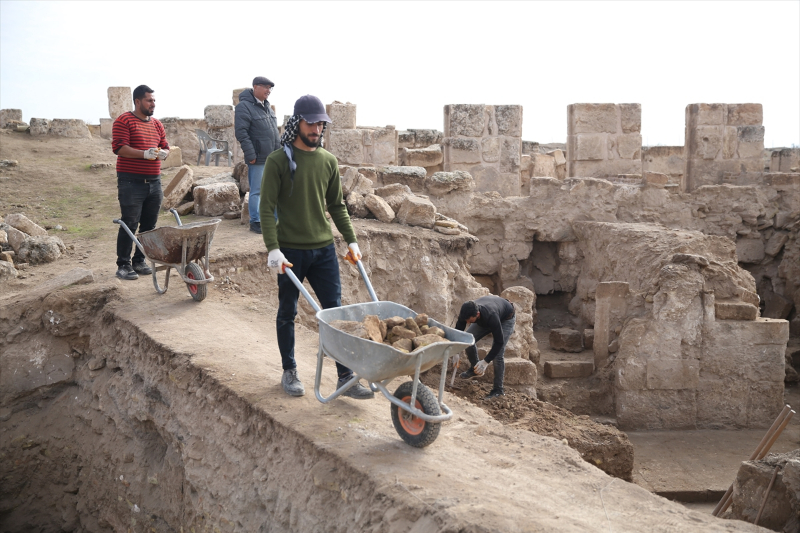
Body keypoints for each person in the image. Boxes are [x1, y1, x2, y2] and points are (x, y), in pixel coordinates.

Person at [260, 94, 373, 400]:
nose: (317, 129)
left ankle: (344, 377)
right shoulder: (278, 162)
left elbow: (337, 206)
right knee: (287, 311)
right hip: (290, 252)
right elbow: (266, 207)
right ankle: (289, 370)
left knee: (334, 313)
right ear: (297, 123)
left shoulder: (328, 161)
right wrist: (273, 248)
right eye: (311, 122)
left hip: (324, 250)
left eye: (321, 123)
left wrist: (351, 240)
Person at [111, 84, 169, 280]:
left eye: (154, 100)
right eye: (149, 100)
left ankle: (139, 260)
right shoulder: (124, 121)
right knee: (130, 222)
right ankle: (123, 265)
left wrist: (164, 153)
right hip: (131, 182)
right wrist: (145, 154)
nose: (153, 103)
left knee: (149, 225)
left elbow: (165, 146)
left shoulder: (157, 124)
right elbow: (120, 148)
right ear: (137, 101)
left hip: (154, 181)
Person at [235, 76, 281, 234]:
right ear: (255, 87)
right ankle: (255, 221)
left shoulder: (268, 107)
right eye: (265, 87)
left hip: (273, 157)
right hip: (258, 157)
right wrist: (251, 154)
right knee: (257, 190)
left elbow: (275, 133)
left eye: (270, 88)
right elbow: (241, 132)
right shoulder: (244, 107)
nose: (268, 90)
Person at [455, 295, 516, 399]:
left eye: (470, 320)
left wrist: (485, 361)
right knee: (468, 339)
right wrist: (455, 351)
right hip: (488, 316)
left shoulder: (490, 315)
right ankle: (475, 369)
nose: (468, 323)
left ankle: (498, 390)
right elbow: (459, 333)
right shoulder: (466, 312)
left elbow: (499, 342)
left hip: (506, 318)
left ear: (477, 314)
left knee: (498, 355)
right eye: (466, 321)